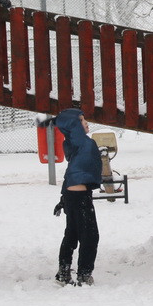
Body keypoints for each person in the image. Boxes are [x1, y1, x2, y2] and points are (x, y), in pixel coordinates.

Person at [53, 108, 102, 286]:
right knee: (90, 236)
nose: (86, 122)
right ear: (73, 125)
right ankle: (84, 274)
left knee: (71, 235)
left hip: (72, 194)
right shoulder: (84, 142)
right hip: (80, 196)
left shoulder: (72, 142)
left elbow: (71, 170)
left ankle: (63, 273)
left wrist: (63, 198)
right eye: (81, 120)